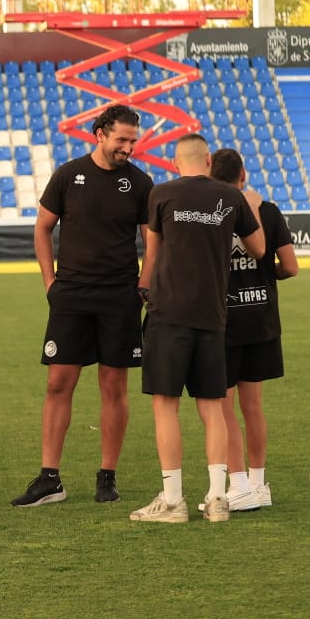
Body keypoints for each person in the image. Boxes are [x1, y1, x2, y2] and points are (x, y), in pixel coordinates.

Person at [12, 104, 153, 507]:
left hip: (120, 296)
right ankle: (49, 478)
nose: (127, 147)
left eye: (132, 140)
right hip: (71, 294)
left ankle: (107, 475)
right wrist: (49, 282)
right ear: (100, 134)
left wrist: (143, 284)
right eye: (121, 139)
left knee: (113, 385)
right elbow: (42, 227)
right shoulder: (67, 175)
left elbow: (152, 238)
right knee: (59, 383)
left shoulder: (141, 182)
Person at [131, 134, 263, 525]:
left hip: (169, 312)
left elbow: (152, 254)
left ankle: (173, 502)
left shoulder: (161, 194)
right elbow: (257, 248)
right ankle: (218, 498)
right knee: (212, 408)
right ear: (208, 160)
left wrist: (143, 289)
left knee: (165, 404)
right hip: (212, 315)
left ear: (175, 163)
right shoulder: (231, 197)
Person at [208, 148, 298, 513]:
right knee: (253, 407)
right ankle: (260, 486)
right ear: (243, 175)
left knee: (223, 407)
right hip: (261, 318)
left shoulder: (211, 213)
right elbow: (290, 267)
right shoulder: (269, 210)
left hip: (223, 320)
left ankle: (239, 485)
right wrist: (264, 276)